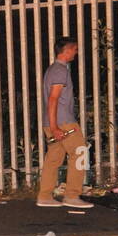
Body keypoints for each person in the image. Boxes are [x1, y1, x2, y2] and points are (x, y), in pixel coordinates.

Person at [37, 37, 92, 209]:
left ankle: (45, 196)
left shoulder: (52, 70)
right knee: (80, 153)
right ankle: (72, 195)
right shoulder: (61, 71)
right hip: (63, 123)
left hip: (52, 121)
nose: (76, 52)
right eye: (75, 49)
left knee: (53, 159)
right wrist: (55, 128)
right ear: (67, 50)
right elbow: (53, 99)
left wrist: (51, 125)